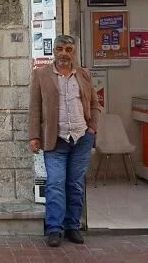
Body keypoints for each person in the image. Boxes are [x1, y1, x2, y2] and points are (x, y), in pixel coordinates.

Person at [28, 34, 100, 248]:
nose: (64, 54)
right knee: (55, 184)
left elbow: (94, 104)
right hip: (55, 139)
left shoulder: (84, 74)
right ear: (54, 51)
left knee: (75, 184)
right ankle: (54, 229)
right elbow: (35, 107)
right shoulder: (41, 75)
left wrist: (92, 128)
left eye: (68, 49)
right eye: (60, 49)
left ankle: (72, 226)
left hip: (81, 137)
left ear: (74, 52)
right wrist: (34, 136)